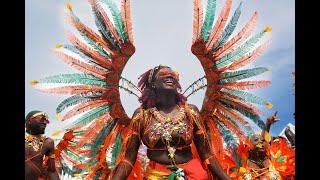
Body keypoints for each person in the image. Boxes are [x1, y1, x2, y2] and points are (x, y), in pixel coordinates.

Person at [110, 65, 230, 179]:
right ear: (152, 83)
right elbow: (128, 160)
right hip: (157, 176)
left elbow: (207, 155)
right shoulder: (142, 116)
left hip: (194, 175)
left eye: (173, 74)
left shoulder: (191, 112)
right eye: (163, 74)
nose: (169, 76)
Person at [25, 110, 60, 180]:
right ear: (29, 121)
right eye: (42, 119)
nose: (45, 123)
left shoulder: (48, 142)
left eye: (46, 121)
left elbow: (52, 171)